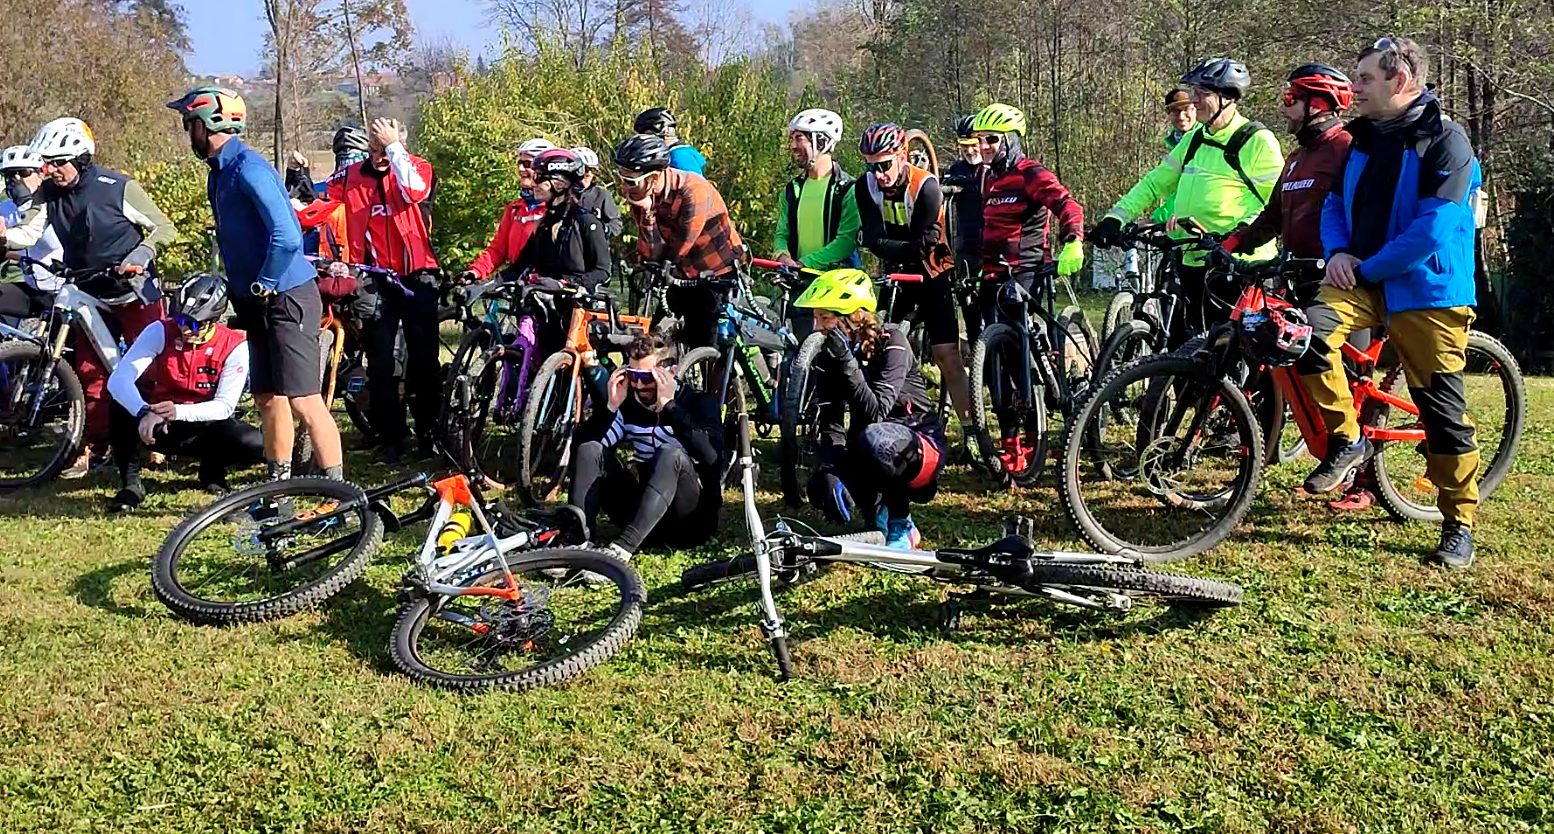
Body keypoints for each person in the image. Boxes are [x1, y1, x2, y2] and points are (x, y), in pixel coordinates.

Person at [1303, 38, 1483, 568]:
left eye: (1364, 78)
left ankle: (1459, 523)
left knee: (1441, 411)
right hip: (1360, 278)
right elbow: (1334, 203)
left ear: (1400, 80)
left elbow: (1434, 229)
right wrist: (1338, 251)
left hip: (1427, 291)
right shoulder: (1361, 140)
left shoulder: (1447, 141)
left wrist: (1365, 266)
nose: (1353, 87)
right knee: (1305, 334)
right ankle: (1348, 438)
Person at [167, 86, 344, 483]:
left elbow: (287, 235)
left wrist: (264, 283)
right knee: (267, 397)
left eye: (188, 124)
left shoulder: (249, 168)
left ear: (205, 124)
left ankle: (339, 495)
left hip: (287, 296)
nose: (187, 132)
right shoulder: (220, 172)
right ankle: (278, 486)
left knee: (305, 399)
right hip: (256, 299)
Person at [0, 117, 177, 478]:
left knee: (148, 369)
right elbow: (29, 231)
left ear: (81, 159)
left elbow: (164, 228)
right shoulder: (49, 193)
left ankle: (157, 442)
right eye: (47, 163)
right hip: (87, 289)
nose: (51, 170)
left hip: (133, 290)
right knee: (89, 373)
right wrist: (5, 239)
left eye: (58, 162)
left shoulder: (117, 187)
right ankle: (94, 448)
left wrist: (140, 255)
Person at [1090, 59, 1284, 345]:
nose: (1195, 100)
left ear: (1227, 97)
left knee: (1238, 354)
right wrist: (1115, 217)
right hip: (1193, 258)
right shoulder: (1194, 138)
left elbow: (1274, 205)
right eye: (1194, 92)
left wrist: (1237, 235)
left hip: (1239, 266)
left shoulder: (1257, 140)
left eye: (1202, 93)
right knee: (1188, 352)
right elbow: (1155, 183)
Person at [794, 268, 945, 550]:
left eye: (825, 318)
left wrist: (848, 364)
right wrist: (830, 470)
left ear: (855, 316)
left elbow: (876, 411)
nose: (818, 328)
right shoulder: (833, 354)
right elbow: (832, 422)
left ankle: (903, 524)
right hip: (870, 447)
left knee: (875, 438)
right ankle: (877, 512)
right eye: (816, 319)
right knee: (820, 484)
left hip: (919, 447)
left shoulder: (893, 342)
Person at [323, 116, 440, 463]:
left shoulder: (417, 167)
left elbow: (415, 191)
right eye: (373, 149)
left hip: (418, 275)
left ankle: (429, 435)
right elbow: (321, 206)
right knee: (381, 362)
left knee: (424, 361)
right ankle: (391, 438)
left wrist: (394, 147)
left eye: (384, 149)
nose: (378, 157)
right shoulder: (352, 176)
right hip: (374, 277)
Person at [105, 274, 265, 511]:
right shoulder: (160, 330)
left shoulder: (234, 345)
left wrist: (177, 411)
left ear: (213, 320)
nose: (184, 329)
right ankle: (131, 485)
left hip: (204, 426)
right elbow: (118, 380)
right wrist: (142, 412)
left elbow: (224, 406)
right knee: (118, 405)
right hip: (157, 424)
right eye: (179, 320)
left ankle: (212, 472)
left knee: (255, 445)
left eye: (193, 324)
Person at [853, 122, 971, 427]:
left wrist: (880, 243)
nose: (879, 175)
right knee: (875, 347)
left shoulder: (926, 187)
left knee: (947, 356)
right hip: (895, 276)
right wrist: (884, 244)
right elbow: (876, 240)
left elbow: (923, 244)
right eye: (872, 167)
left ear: (902, 155)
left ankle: (974, 432)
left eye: (885, 165)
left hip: (933, 273)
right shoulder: (864, 187)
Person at [570, 333, 723, 560]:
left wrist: (670, 407)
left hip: (690, 522)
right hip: (643, 517)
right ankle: (579, 541)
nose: (639, 385)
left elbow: (713, 458)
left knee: (670, 454)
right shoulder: (629, 404)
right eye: (633, 376)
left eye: (647, 377)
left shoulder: (698, 403)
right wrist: (610, 408)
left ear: (669, 372)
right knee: (590, 449)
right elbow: (581, 450)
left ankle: (621, 551)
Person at [1221, 64, 1354, 299]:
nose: (1283, 108)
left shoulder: (1347, 148)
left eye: (1291, 99)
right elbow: (1273, 216)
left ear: (1317, 105)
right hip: (1293, 279)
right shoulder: (1297, 157)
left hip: (1338, 285)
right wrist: (1234, 242)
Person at [614, 133, 744, 349]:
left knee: (708, 346)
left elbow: (681, 245)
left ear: (654, 177)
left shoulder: (694, 190)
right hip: (682, 274)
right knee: (652, 345)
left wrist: (662, 265)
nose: (626, 187)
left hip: (716, 274)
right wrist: (646, 213)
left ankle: (718, 380)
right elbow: (651, 254)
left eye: (630, 181)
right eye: (622, 179)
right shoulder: (642, 194)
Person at [462, 138, 555, 283]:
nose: (521, 169)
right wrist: (475, 271)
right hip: (514, 280)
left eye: (527, 164)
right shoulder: (515, 209)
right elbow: (498, 250)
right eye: (519, 163)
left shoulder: (554, 210)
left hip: (543, 287)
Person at [0, 145, 62, 316]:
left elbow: (28, 235)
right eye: (10, 174)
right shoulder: (6, 207)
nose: (16, 179)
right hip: (31, 289)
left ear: (41, 173)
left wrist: (4, 238)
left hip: (62, 294)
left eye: (24, 172)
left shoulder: (52, 205)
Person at [941, 115, 984, 346]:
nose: (969, 151)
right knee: (970, 311)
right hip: (963, 247)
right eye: (964, 146)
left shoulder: (992, 169)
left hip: (990, 246)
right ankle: (982, 368)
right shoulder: (956, 170)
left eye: (973, 145)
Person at [295, 125, 369, 261]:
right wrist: (297, 176)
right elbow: (303, 209)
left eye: (353, 161)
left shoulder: (378, 193)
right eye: (343, 161)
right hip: (325, 267)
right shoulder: (324, 190)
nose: (346, 168)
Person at [1152, 88, 1198, 225]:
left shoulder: (1206, 141)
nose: (1182, 116)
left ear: (1196, 109)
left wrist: (1158, 219)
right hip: (1177, 222)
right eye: (1176, 111)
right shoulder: (1172, 143)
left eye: (1187, 109)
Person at [634, 107, 706, 175]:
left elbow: (694, 185)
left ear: (662, 132)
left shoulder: (679, 155)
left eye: (648, 134)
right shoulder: (680, 151)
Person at [572, 146, 623, 239]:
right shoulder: (563, 194)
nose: (589, 174)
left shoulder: (601, 195)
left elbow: (616, 224)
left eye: (592, 170)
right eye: (585, 169)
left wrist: (602, 229)